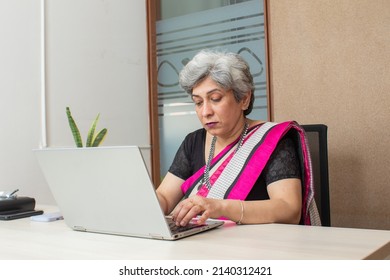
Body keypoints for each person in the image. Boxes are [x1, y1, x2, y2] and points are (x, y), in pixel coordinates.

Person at [156, 49, 320, 227]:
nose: (205, 112)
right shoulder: (193, 142)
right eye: (198, 102)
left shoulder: (271, 141)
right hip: (203, 245)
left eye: (215, 99)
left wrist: (221, 207)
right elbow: (165, 197)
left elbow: (289, 209)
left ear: (244, 99)